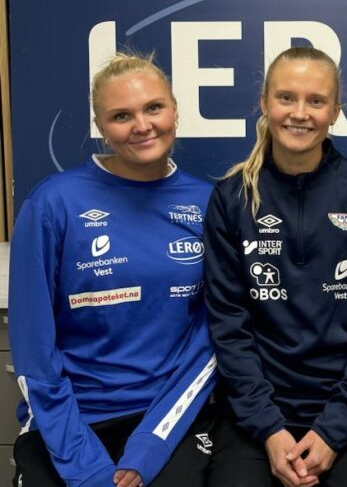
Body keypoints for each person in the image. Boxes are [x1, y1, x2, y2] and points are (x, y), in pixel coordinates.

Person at [9, 53, 217, 487]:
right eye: (121, 116)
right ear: (100, 126)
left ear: (175, 110)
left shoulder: (208, 204)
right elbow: (33, 349)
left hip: (170, 416)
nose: (142, 125)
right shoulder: (53, 203)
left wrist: (150, 445)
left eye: (153, 108)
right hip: (71, 418)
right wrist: (84, 465)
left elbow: (209, 340)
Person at [203, 46, 347, 487]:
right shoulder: (232, 198)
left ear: (335, 111)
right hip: (256, 411)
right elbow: (228, 325)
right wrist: (269, 428)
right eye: (286, 98)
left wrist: (334, 429)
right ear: (264, 103)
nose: (300, 113)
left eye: (316, 100)